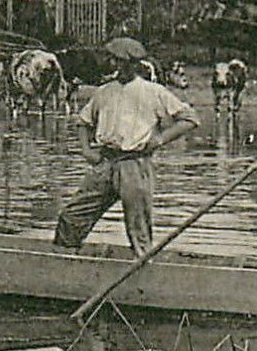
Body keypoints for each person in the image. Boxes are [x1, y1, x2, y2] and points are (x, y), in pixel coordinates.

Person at [54, 37, 199, 256]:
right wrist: (86, 150)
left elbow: (189, 119)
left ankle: (142, 271)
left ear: (134, 65)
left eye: (122, 62)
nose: (116, 66)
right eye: (114, 61)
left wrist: (160, 139)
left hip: (135, 164)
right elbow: (83, 122)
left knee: (138, 225)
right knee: (72, 215)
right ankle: (62, 261)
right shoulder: (104, 91)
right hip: (105, 162)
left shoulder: (153, 92)